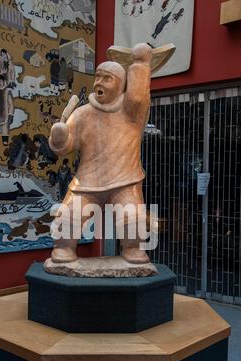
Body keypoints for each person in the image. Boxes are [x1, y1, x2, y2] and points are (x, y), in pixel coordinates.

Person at [49, 43, 152, 264]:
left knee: (132, 219)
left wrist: (140, 64)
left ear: (121, 83)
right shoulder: (83, 113)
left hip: (126, 180)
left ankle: (132, 248)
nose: (99, 83)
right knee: (67, 218)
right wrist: (58, 134)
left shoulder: (131, 112)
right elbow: (63, 147)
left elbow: (138, 96)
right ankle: (65, 248)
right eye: (97, 77)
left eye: (107, 78)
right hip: (87, 181)